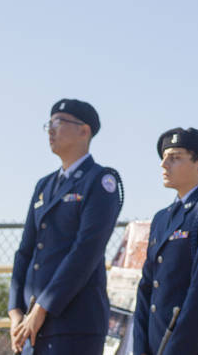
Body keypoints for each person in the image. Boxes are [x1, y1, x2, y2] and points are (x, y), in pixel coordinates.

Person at [8, 98, 123, 355]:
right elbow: (25, 250)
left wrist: (44, 306)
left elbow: (86, 250)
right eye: (48, 124)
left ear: (84, 130)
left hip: (74, 322)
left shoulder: (101, 180)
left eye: (58, 123)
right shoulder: (44, 185)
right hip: (31, 322)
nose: (50, 130)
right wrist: (15, 310)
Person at [133, 127, 198, 355]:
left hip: (195, 347)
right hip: (155, 345)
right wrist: (140, 348)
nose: (164, 165)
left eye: (175, 158)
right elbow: (146, 289)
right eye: (163, 158)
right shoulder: (162, 217)